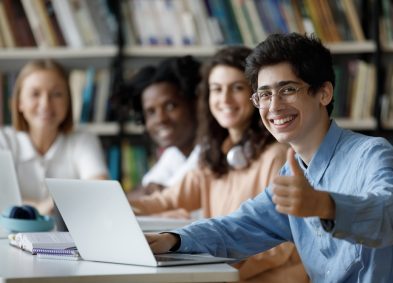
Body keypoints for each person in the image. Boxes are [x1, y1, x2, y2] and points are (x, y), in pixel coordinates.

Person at [145, 33, 393, 282]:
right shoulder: (292, 174)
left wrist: (327, 206)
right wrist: (172, 239)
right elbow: (237, 227)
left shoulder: (371, 154)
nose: (274, 106)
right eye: (264, 94)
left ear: (324, 93)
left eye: (288, 90)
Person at [130, 46, 308, 283]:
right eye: (216, 90)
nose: (224, 100)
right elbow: (166, 200)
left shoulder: (277, 155)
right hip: (226, 272)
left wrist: (220, 268)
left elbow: (283, 243)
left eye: (236, 88)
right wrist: (118, 208)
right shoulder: (214, 154)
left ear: (256, 94)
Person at [0, 59, 108, 216]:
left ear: (68, 103)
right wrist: (42, 207)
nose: (45, 104)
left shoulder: (83, 140)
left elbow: (100, 190)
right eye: (35, 94)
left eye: (56, 94)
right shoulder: (4, 140)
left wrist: (24, 206)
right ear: (19, 103)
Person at [126, 56, 201, 198]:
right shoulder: (173, 153)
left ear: (194, 105)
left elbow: (168, 198)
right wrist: (151, 190)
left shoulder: (211, 150)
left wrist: (156, 192)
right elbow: (135, 195)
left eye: (170, 106)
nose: (160, 119)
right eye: (151, 112)